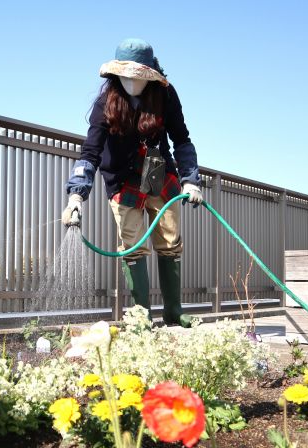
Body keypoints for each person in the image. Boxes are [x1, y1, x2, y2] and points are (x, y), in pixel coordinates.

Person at [61, 38, 202, 327]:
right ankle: (142, 317)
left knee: (170, 241)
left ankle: (174, 311)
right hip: (122, 180)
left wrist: (190, 181)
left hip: (159, 174)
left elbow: (182, 139)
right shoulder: (105, 103)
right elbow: (91, 151)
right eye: (126, 75)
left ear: (150, 75)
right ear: (116, 74)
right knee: (133, 245)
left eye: (138, 76)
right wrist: (76, 196)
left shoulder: (165, 96)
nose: (132, 81)